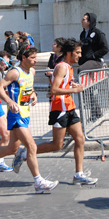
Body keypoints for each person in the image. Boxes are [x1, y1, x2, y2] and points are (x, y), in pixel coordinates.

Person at [0, 47, 59, 194]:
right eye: (32, 58)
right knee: (31, 146)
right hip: (15, 114)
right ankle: (38, 182)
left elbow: (28, 89)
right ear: (23, 58)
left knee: (11, 149)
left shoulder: (32, 72)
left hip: (26, 114)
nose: (35, 60)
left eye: (36, 57)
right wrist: (9, 102)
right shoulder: (14, 72)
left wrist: (34, 95)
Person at [35, 38, 98, 185]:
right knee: (57, 145)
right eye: (77, 52)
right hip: (59, 109)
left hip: (69, 108)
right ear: (69, 53)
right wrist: (74, 89)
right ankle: (26, 152)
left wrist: (71, 84)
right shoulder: (62, 67)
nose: (80, 55)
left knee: (80, 139)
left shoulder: (68, 67)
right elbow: (54, 90)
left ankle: (79, 174)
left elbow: (63, 84)